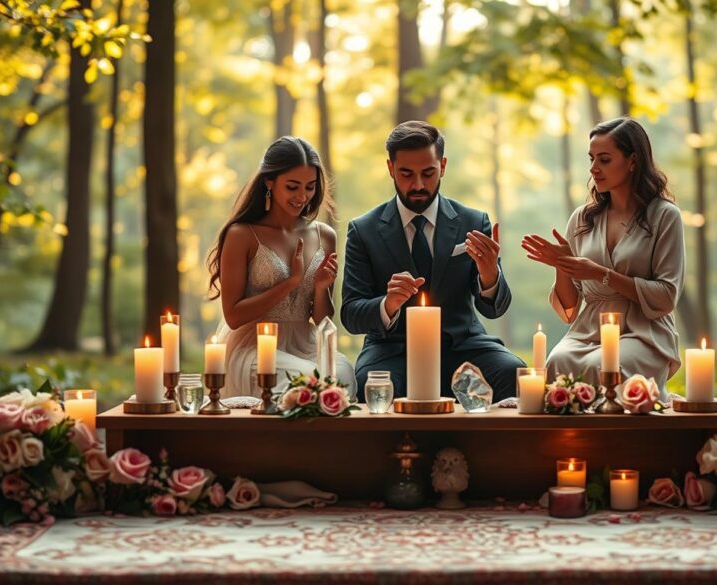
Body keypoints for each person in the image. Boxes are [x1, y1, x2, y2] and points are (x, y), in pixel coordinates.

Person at [342, 121, 525, 401]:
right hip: (393, 349)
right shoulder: (363, 230)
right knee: (374, 386)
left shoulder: (474, 222)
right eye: (406, 173)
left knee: (516, 374)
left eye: (428, 173)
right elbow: (351, 314)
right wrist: (387, 304)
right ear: (390, 168)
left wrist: (490, 277)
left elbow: (494, 309)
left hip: (462, 345)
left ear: (443, 165)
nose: (418, 185)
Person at [522, 117, 684, 394]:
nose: (594, 169)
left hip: (643, 332)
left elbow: (667, 296)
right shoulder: (583, 219)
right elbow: (570, 309)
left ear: (632, 161)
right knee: (557, 361)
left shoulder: (664, 216)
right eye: (592, 159)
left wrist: (601, 274)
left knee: (605, 365)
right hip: (587, 330)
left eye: (605, 160)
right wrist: (562, 265)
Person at [207, 136, 356, 397]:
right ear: (269, 181)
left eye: (310, 187)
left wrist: (321, 288)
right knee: (308, 382)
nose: (302, 196)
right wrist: (290, 283)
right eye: (292, 186)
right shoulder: (242, 234)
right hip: (257, 348)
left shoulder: (325, 235)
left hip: (308, 343)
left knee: (341, 374)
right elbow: (233, 315)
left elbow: (323, 321)